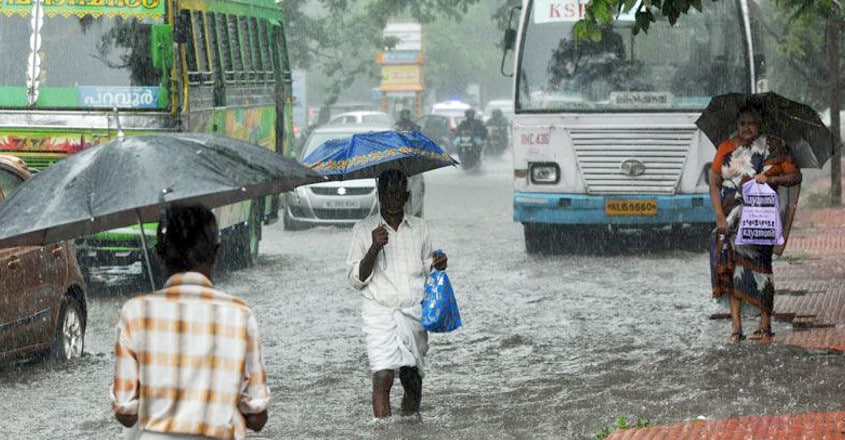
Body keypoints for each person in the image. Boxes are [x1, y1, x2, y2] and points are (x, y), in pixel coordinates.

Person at [111, 204, 270, 439]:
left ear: (159, 253)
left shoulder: (135, 312)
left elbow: (125, 411)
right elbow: (257, 418)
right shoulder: (239, 315)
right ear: (217, 252)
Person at [346, 168, 448, 420]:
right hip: (378, 311)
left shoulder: (420, 228)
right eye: (386, 194)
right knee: (382, 375)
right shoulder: (363, 230)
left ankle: (410, 426)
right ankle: (383, 431)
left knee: (411, 377)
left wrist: (438, 263)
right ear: (379, 195)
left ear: (406, 196)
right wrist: (373, 247)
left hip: (413, 311)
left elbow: (427, 268)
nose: (392, 200)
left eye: (397, 194)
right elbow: (355, 280)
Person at [709, 106, 802, 344]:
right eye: (742, 123)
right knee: (730, 268)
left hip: (760, 217)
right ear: (737, 124)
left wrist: (770, 178)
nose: (747, 127)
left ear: (760, 124)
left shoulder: (774, 147)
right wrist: (720, 217)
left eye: (752, 123)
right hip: (730, 217)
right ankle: (736, 329)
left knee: (762, 267)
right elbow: (714, 183)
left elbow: (795, 177)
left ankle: (765, 326)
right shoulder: (726, 148)